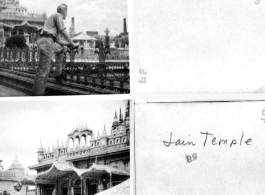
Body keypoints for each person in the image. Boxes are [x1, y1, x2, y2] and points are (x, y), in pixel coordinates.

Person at [31, 4, 79, 96]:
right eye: (66, 12)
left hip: (47, 41)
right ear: (64, 11)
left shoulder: (52, 20)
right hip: (47, 42)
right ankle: (37, 96)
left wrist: (69, 44)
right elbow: (63, 31)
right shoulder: (58, 16)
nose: (66, 15)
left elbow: (59, 41)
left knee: (61, 49)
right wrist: (72, 43)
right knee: (43, 72)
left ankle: (58, 73)